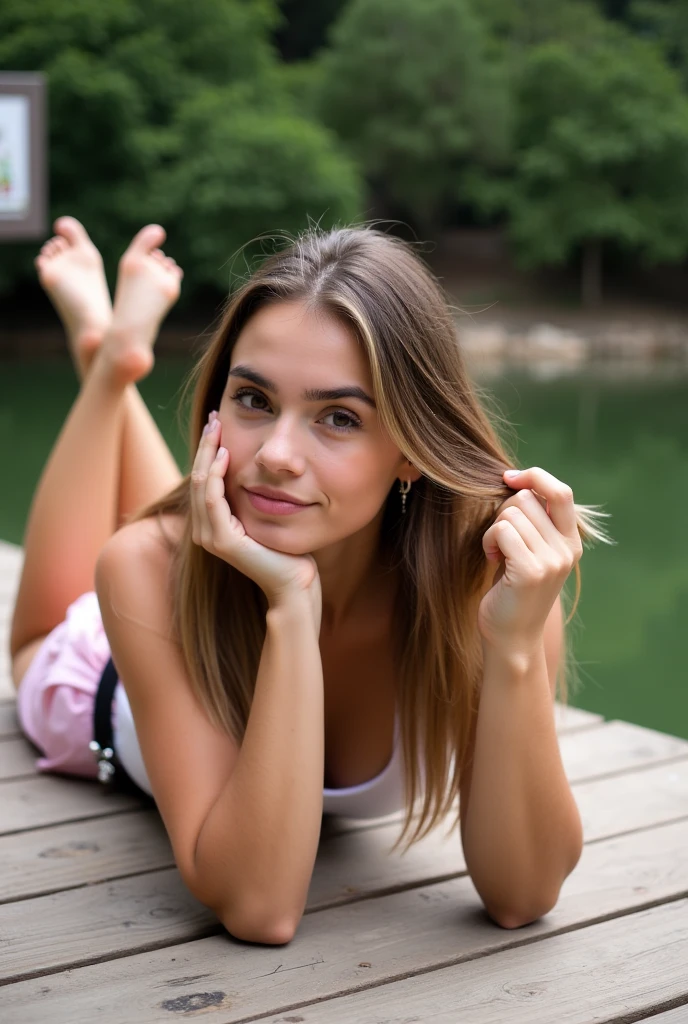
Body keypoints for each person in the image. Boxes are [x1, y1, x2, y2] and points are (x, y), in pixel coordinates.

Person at [10, 216, 609, 946]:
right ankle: (111, 365)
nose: (278, 455)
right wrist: (291, 605)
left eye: (338, 417)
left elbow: (522, 896)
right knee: (93, 597)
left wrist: (514, 649)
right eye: (253, 400)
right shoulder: (143, 569)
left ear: (412, 449)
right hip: (95, 676)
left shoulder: (488, 591)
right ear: (215, 404)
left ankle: (111, 352)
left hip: (209, 565)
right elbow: (259, 908)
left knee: (191, 520)